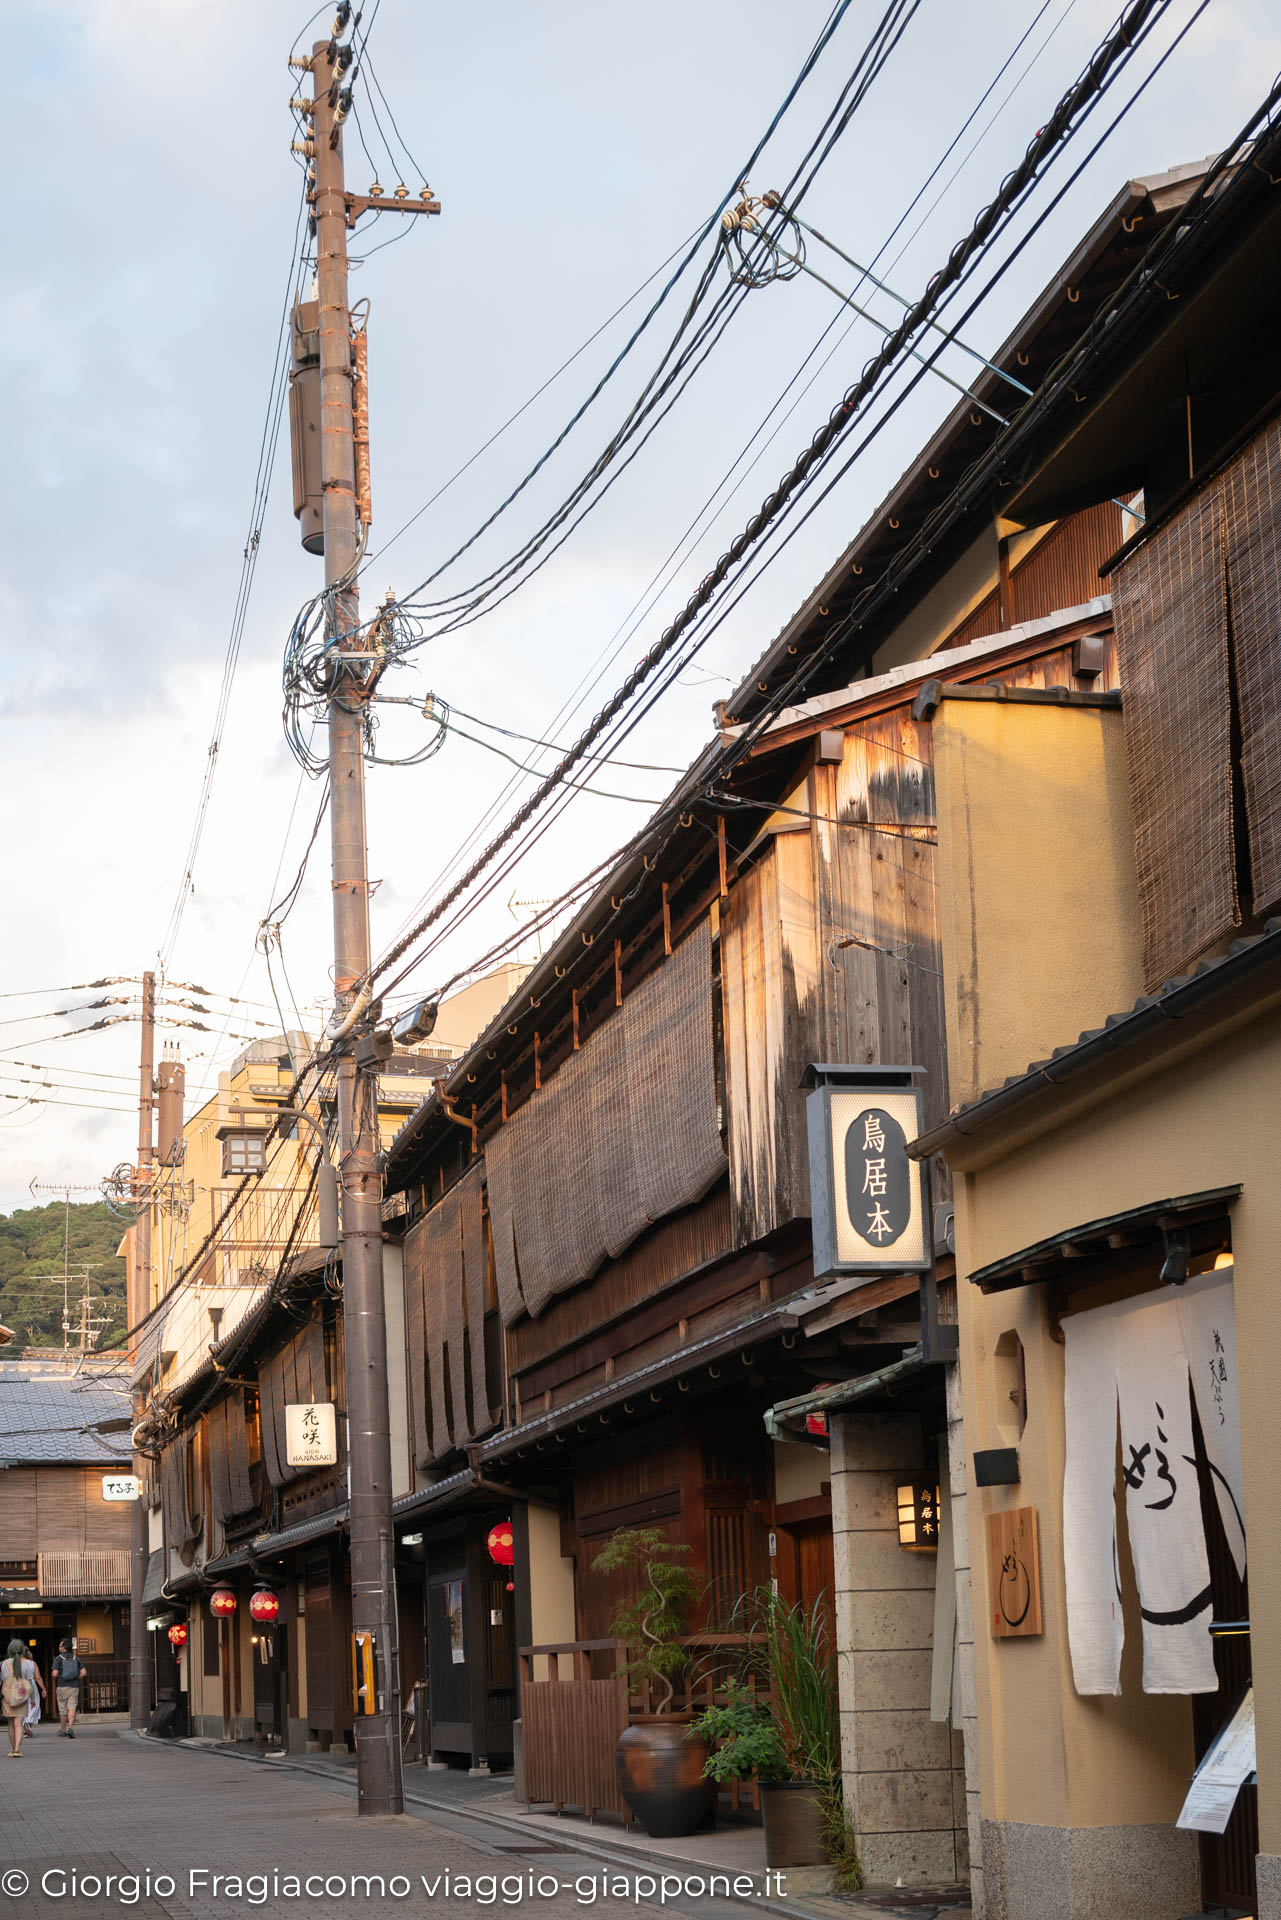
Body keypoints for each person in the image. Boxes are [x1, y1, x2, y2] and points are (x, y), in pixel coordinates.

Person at [1, 1639, 39, 1757]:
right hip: (22, 1696)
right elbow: (31, 1683)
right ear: (23, 1650)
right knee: (19, 1723)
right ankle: (17, 1749)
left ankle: (13, 1749)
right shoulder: (30, 1664)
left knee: (11, 1724)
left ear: (10, 1650)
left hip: (7, 1697)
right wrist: (33, 1700)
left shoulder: (3, 1664)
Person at [51, 1640, 83, 1738]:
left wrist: (55, 1678)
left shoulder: (58, 1659)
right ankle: (71, 1728)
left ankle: (63, 1730)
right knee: (72, 1707)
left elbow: (54, 1674)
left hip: (62, 1686)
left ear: (63, 1648)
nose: (59, 1647)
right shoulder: (76, 1658)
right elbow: (84, 1672)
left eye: (60, 1646)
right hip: (74, 1686)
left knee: (63, 1709)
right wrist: (76, 1678)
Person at [22, 1653, 47, 1739]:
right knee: (34, 1706)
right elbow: (38, 1677)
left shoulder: (15, 1663)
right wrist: (43, 1688)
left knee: (23, 1707)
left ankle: (26, 1729)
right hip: (31, 1685)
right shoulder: (33, 1663)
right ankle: (28, 1722)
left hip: (20, 1686)